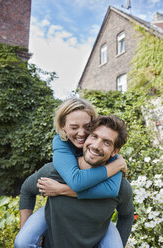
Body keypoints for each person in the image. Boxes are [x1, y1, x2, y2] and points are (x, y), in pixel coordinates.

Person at [15, 98, 128, 248]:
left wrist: (116, 164)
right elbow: (76, 182)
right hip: (56, 213)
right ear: (63, 127)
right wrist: (25, 229)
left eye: (87, 127)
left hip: (99, 221)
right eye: (74, 127)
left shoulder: (114, 167)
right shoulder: (59, 151)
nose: (81, 133)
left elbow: (113, 191)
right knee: (22, 242)